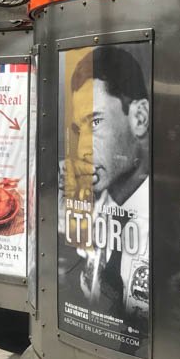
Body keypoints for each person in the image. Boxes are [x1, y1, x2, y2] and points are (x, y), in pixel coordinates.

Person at [60, 46, 151, 329]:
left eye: (96, 122)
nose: (83, 149)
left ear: (139, 117)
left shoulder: (170, 215)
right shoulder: (94, 208)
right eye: (79, 130)